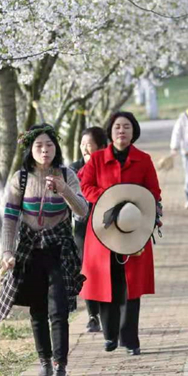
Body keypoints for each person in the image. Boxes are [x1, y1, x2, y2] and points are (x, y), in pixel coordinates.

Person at [0, 124, 88, 376]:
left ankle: (60, 365)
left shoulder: (67, 175)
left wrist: (64, 190)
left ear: (56, 148)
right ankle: (44, 362)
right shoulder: (20, 179)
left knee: (59, 310)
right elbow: (10, 219)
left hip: (59, 250)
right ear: (30, 149)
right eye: (39, 145)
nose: (45, 150)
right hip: (30, 250)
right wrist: (6, 253)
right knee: (38, 310)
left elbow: (82, 210)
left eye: (49, 145)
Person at [78, 111, 161, 355]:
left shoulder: (143, 160)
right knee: (107, 283)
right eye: (117, 127)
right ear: (110, 132)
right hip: (103, 229)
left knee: (130, 285)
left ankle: (130, 339)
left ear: (133, 131)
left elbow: (153, 191)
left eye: (126, 127)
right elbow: (85, 186)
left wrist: (145, 213)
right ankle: (110, 335)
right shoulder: (96, 159)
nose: (121, 131)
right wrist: (106, 201)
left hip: (133, 228)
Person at [70, 126, 108, 333]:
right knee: (87, 271)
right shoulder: (73, 169)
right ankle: (93, 315)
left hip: (107, 226)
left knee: (106, 270)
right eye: (82, 144)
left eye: (89, 144)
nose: (85, 148)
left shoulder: (107, 167)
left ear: (101, 146)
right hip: (83, 229)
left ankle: (108, 312)